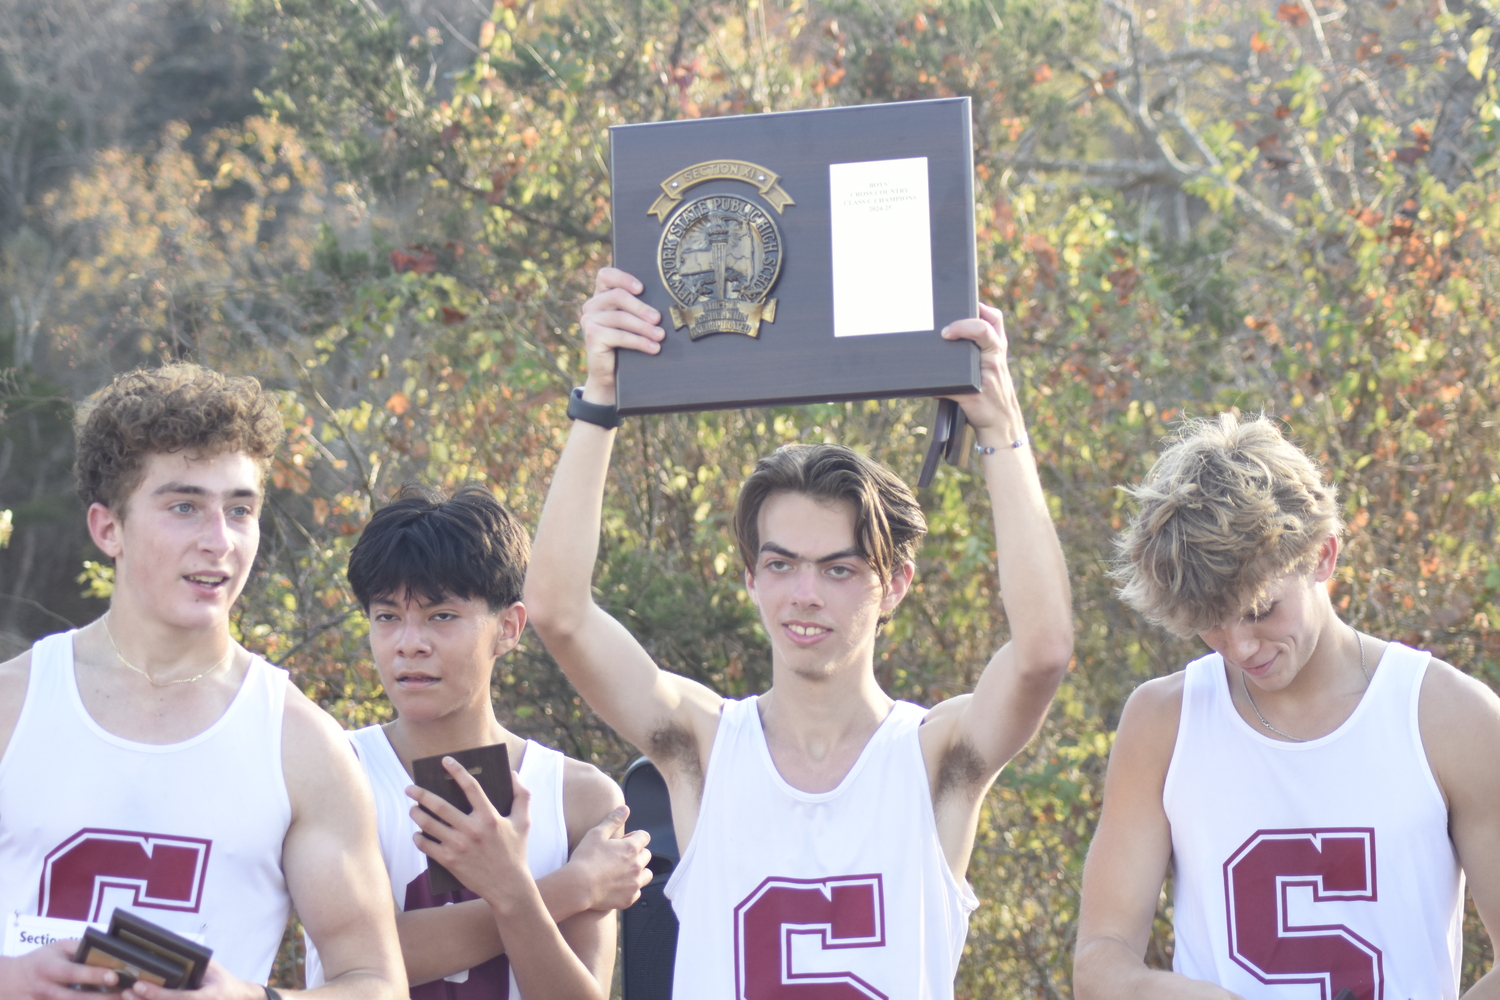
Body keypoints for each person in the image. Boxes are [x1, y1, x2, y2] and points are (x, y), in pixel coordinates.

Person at [523, 268, 1074, 997]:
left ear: (895, 586)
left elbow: (1042, 653)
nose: (804, 595)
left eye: (839, 570)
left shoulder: (934, 759)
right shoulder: (704, 748)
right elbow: (558, 612)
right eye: (781, 565)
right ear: (750, 576)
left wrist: (1001, 428)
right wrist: (598, 398)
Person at [0, 364, 407, 999]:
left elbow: (377, 984)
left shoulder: (301, 744)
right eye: (185, 506)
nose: (218, 541)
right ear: (109, 528)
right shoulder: (12, 706)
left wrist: (248, 999)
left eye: (239, 510)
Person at [1073, 413, 1500, 1000]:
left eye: (1259, 611)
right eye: (1210, 626)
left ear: (1322, 556)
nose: (1240, 647)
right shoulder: (1162, 724)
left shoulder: (1451, 718)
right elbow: (1100, 961)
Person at [302, 483, 653, 999]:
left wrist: (519, 893)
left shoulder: (581, 798)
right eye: (387, 617)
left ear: (508, 627)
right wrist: (565, 889)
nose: (409, 643)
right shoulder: (332, 769)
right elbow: (356, 963)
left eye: (441, 616)